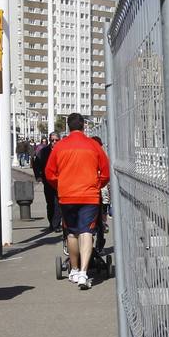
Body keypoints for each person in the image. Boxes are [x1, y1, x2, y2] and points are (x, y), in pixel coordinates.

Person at [45, 113, 111, 290]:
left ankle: (73, 269)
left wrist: (61, 185)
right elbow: (105, 172)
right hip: (89, 195)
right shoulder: (93, 146)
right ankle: (83, 273)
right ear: (84, 127)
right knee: (87, 232)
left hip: (67, 196)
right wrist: (96, 185)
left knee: (72, 233)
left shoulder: (60, 147)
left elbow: (49, 173)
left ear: (68, 127)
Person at [33, 133, 60, 232]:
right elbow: (36, 164)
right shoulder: (44, 151)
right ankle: (51, 223)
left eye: (56, 140)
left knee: (58, 203)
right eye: (52, 140)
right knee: (50, 203)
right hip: (48, 181)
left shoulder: (62, 151)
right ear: (49, 140)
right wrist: (38, 176)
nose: (54, 142)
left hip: (60, 182)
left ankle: (56, 224)